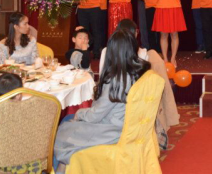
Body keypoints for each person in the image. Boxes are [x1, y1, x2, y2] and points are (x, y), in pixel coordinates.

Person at [53, 29, 151, 170]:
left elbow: (96, 115)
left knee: (62, 130)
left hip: (112, 128)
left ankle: (61, 169)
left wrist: (79, 113)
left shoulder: (117, 79)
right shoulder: (139, 71)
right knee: (68, 124)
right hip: (129, 124)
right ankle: (64, 168)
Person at [98, 19, 179, 149]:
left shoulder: (107, 51)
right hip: (136, 104)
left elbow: (102, 77)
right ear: (134, 34)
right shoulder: (143, 53)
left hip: (112, 105)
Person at [152, 0, 187, 67]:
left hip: (174, 8)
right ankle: (165, 59)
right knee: (163, 35)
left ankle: (173, 58)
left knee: (174, 34)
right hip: (161, 8)